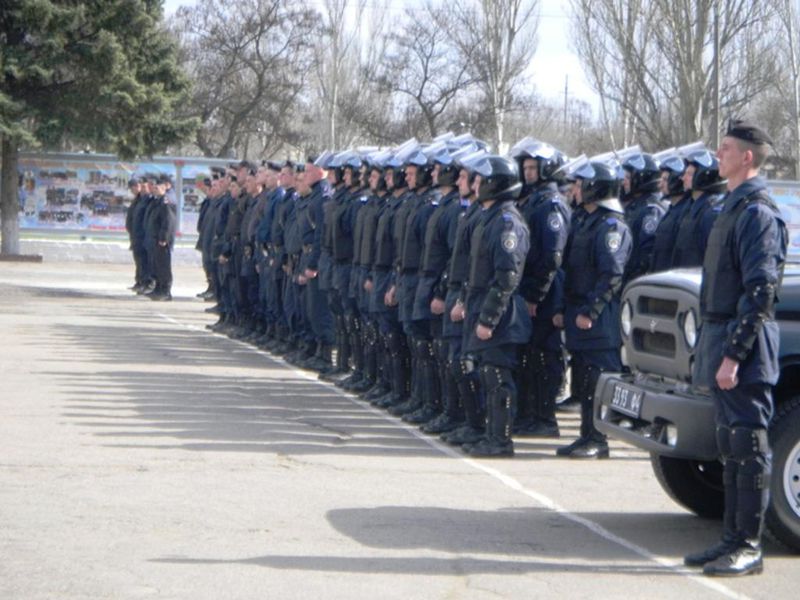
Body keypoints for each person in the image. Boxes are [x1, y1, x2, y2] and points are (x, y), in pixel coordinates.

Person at [685, 120, 787, 577]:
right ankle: (730, 537)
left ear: (747, 157)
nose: (718, 154)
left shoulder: (757, 213)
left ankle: (749, 544)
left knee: (748, 447)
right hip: (720, 338)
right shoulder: (732, 207)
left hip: (742, 347)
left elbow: (760, 292)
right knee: (730, 445)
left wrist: (733, 355)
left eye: (725, 148)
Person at [554, 157, 632, 459]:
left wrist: (591, 311)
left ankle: (598, 438)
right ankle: (586, 434)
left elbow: (611, 274)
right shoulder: (584, 221)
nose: (575, 189)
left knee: (598, 380)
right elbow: (571, 270)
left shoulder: (612, 226)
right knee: (585, 380)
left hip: (598, 318)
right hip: (578, 310)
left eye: (580, 184)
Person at [461, 154, 531, 457]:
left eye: (481, 180)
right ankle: (490, 435)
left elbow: (506, 277)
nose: (476, 185)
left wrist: (488, 318)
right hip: (481, 304)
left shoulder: (506, 222)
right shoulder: (487, 218)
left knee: (498, 377)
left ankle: (501, 439)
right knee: (486, 373)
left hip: (501, 314)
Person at [511, 138, 570, 438]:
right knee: (530, 356)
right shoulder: (531, 200)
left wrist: (536, 295)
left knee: (545, 356)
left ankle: (545, 417)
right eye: (526, 167)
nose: (529, 173)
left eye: (534, 167)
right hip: (531, 288)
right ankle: (530, 413)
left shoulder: (551, 204)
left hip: (546, 293)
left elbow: (551, 256)